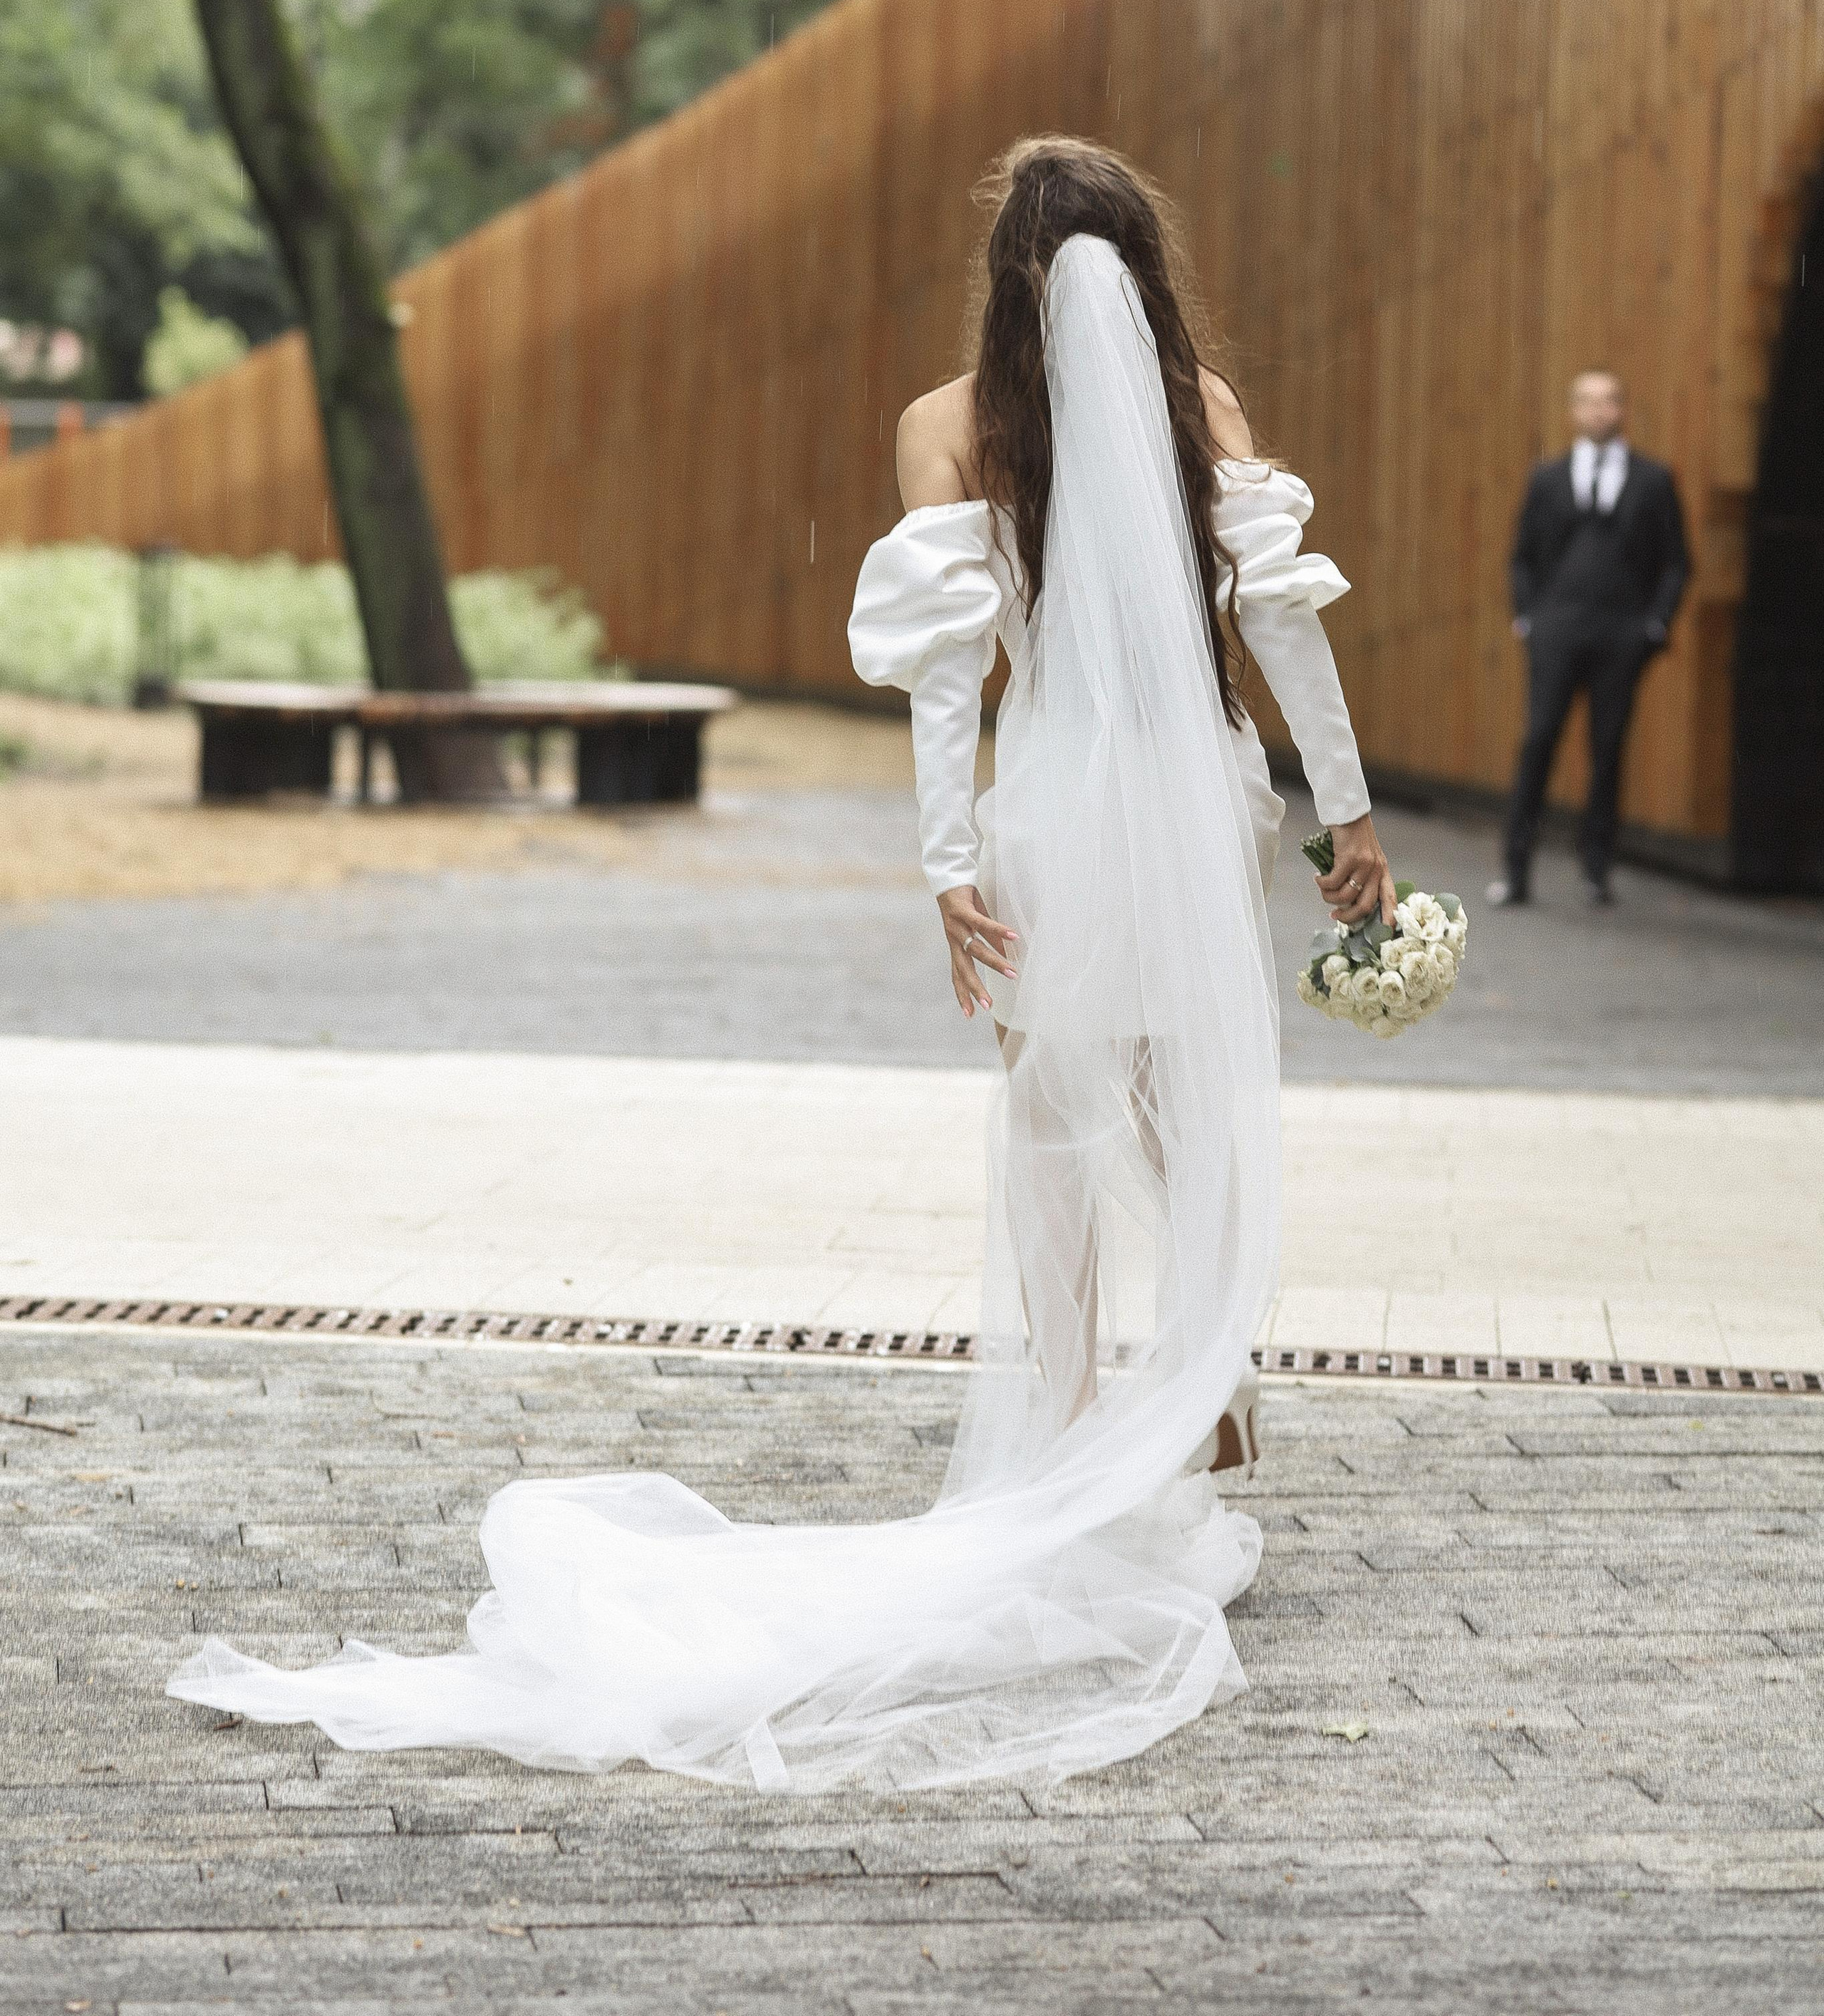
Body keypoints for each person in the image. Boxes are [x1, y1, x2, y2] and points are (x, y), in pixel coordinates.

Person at [167, 137, 1388, 1794]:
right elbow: (1287, 624)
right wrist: (1348, 816)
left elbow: (946, 669)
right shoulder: (1210, 413)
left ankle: (1066, 1410)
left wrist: (949, 862)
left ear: (1009, 277)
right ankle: (1206, 1361)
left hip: (1048, 803)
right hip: (1187, 796)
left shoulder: (949, 425)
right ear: (1138, 270)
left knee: (1044, 1103)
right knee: (1179, 1082)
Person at [1490, 370, 1689, 908]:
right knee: (1539, 742)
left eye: (1610, 401)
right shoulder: (1548, 478)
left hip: (1621, 635)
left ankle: (1597, 869)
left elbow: (1676, 561)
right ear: (1574, 410)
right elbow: (1522, 556)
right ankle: (1516, 867)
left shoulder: (1653, 479)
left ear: (1622, 410)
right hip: (1557, 630)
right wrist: (1528, 617)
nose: (1600, 411)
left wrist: (1656, 625)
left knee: (1608, 749)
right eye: (1589, 402)